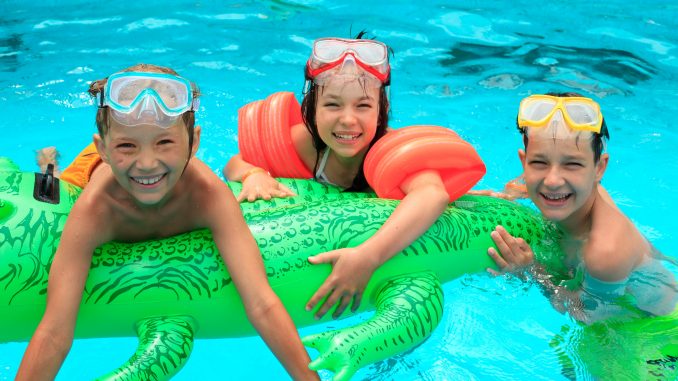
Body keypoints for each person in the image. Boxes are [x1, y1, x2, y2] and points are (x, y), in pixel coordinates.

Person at [17, 64, 318, 381]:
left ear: (194, 142)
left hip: (121, 166)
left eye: (164, 143)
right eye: (127, 146)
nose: (147, 163)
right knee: (53, 188)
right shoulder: (94, 210)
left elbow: (262, 303)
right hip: (85, 174)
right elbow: (55, 332)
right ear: (103, 147)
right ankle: (49, 162)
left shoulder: (208, 196)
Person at [224, 35, 453, 320]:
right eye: (332, 105)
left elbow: (432, 194)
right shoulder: (305, 145)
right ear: (312, 108)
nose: (347, 119)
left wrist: (367, 257)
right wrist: (253, 174)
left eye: (363, 106)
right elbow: (236, 162)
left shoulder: (391, 153)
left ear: (382, 110)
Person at [483, 92, 676, 322]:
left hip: (659, 331)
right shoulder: (582, 191)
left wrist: (531, 270)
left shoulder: (604, 253)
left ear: (599, 168)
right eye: (539, 163)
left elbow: (584, 314)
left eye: (572, 164)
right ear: (524, 162)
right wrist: (504, 196)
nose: (552, 181)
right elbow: (522, 184)